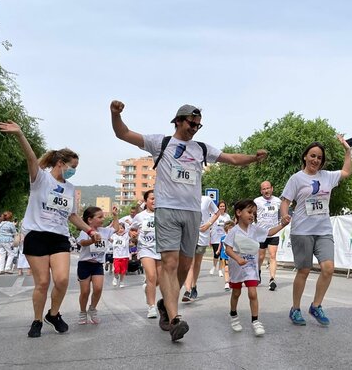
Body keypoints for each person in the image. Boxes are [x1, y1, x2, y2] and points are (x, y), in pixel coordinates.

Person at [110, 100, 267, 342]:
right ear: (178, 121)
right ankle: (175, 319)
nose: (194, 128)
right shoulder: (160, 143)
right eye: (191, 124)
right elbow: (123, 133)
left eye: (198, 125)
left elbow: (232, 159)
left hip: (192, 213)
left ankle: (166, 303)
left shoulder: (200, 149)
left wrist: (253, 158)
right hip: (167, 210)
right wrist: (115, 114)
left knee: (185, 266)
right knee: (170, 263)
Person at [0, 120, 96, 338]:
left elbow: (72, 215)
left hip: (59, 237)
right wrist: (20, 134)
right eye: (72, 167)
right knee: (42, 282)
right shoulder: (40, 179)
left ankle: (53, 314)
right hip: (37, 236)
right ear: (60, 163)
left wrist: (90, 230)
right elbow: (31, 158)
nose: (74, 171)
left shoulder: (70, 189)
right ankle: (37, 320)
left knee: (62, 280)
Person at [280, 135, 352, 326]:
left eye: (319, 158)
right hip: (302, 230)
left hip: (323, 230)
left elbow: (346, 171)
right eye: (312, 156)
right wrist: (285, 215)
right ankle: (295, 309)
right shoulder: (296, 178)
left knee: (328, 268)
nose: (315, 160)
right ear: (305, 157)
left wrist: (347, 150)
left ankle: (316, 305)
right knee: (303, 270)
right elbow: (285, 201)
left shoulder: (327, 176)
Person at [225, 199, 291, 336]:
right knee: (236, 293)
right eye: (249, 212)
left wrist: (282, 225)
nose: (252, 215)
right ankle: (233, 315)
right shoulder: (234, 231)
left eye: (254, 213)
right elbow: (228, 249)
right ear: (238, 212)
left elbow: (269, 233)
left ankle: (255, 321)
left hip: (250, 267)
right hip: (237, 268)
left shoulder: (255, 229)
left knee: (253, 293)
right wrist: (238, 259)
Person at [76, 205, 120, 325]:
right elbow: (82, 243)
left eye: (103, 217)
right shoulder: (85, 231)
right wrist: (92, 240)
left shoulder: (105, 231)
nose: (103, 219)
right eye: (99, 217)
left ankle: (92, 309)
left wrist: (115, 216)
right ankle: (82, 312)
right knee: (85, 291)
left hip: (98, 265)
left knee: (98, 288)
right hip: (84, 264)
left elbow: (116, 228)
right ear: (90, 220)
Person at [182, 195, 219, 303]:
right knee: (190, 263)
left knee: (197, 263)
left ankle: (194, 286)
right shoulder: (185, 198)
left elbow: (217, 213)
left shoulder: (206, 199)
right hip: (189, 234)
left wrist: (209, 224)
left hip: (202, 235)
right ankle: (187, 291)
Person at [131, 190, 161, 318]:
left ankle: (147, 287)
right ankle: (151, 307)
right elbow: (132, 229)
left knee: (159, 279)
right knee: (151, 276)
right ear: (146, 201)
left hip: (160, 249)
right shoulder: (140, 216)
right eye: (152, 198)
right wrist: (133, 234)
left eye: (157, 198)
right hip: (145, 249)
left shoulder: (163, 214)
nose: (155, 201)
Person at [255, 181, 281, 291]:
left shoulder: (278, 201)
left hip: (274, 232)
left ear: (272, 189)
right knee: (261, 257)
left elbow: (282, 213)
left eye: (268, 188)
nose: (266, 191)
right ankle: (258, 271)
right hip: (261, 233)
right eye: (264, 189)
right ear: (261, 191)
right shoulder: (257, 201)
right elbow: (251, 214)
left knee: (273, 255)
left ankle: (272, 279)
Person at [110, 223, 130, 288]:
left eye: (122, 228)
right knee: (116, 269)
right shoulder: (113, 235)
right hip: (116, 256)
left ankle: (121, 281)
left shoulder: (126, 235)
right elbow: (109, 237)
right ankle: (115, 277)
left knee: (123, 270)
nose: (120, 230)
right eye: (118, 228)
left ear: (124, 229)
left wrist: (128, 222)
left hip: (125, 256)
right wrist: (111, 225)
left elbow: (130, 228)